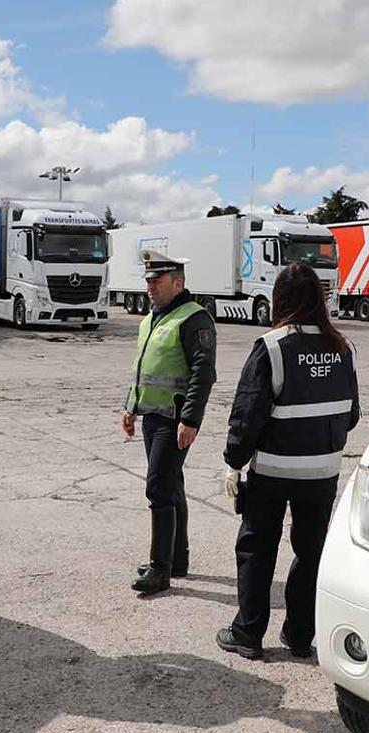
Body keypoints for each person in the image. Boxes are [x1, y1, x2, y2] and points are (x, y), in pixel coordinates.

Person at [216, 262, 360, 660]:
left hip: (274, 472)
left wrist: (234, 461)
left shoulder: (272, 347)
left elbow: (247, 415)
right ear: (320, 301)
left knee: (257, 549)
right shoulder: (342, 349)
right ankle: (299, 636)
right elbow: (352, 414)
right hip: (322, 473)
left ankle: (248, 633)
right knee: (311, 553)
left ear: (280, 300)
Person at [121, 251, 216, 595]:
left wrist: (190, 419)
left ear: (178, 283)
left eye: (156, 281)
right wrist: (131, 407)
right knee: (172, 484)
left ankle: (159, 570)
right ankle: (177, 560)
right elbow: (142, 368)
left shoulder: (194, 319)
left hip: (174, 420)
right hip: (152, 416)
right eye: (147, 280)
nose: (150, 287)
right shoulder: (153, 318)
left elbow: (203, 374)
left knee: (159, 487)